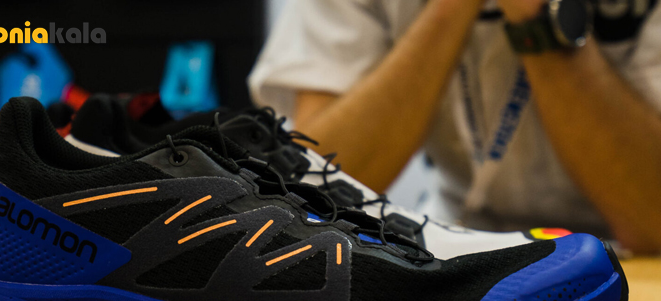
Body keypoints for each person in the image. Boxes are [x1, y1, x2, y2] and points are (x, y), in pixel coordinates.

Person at [249, 0, 661, 254]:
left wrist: (536, 19)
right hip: (455, 246)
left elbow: (652, 220)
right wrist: (451, 9)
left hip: (627, 261)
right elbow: (314, 195)